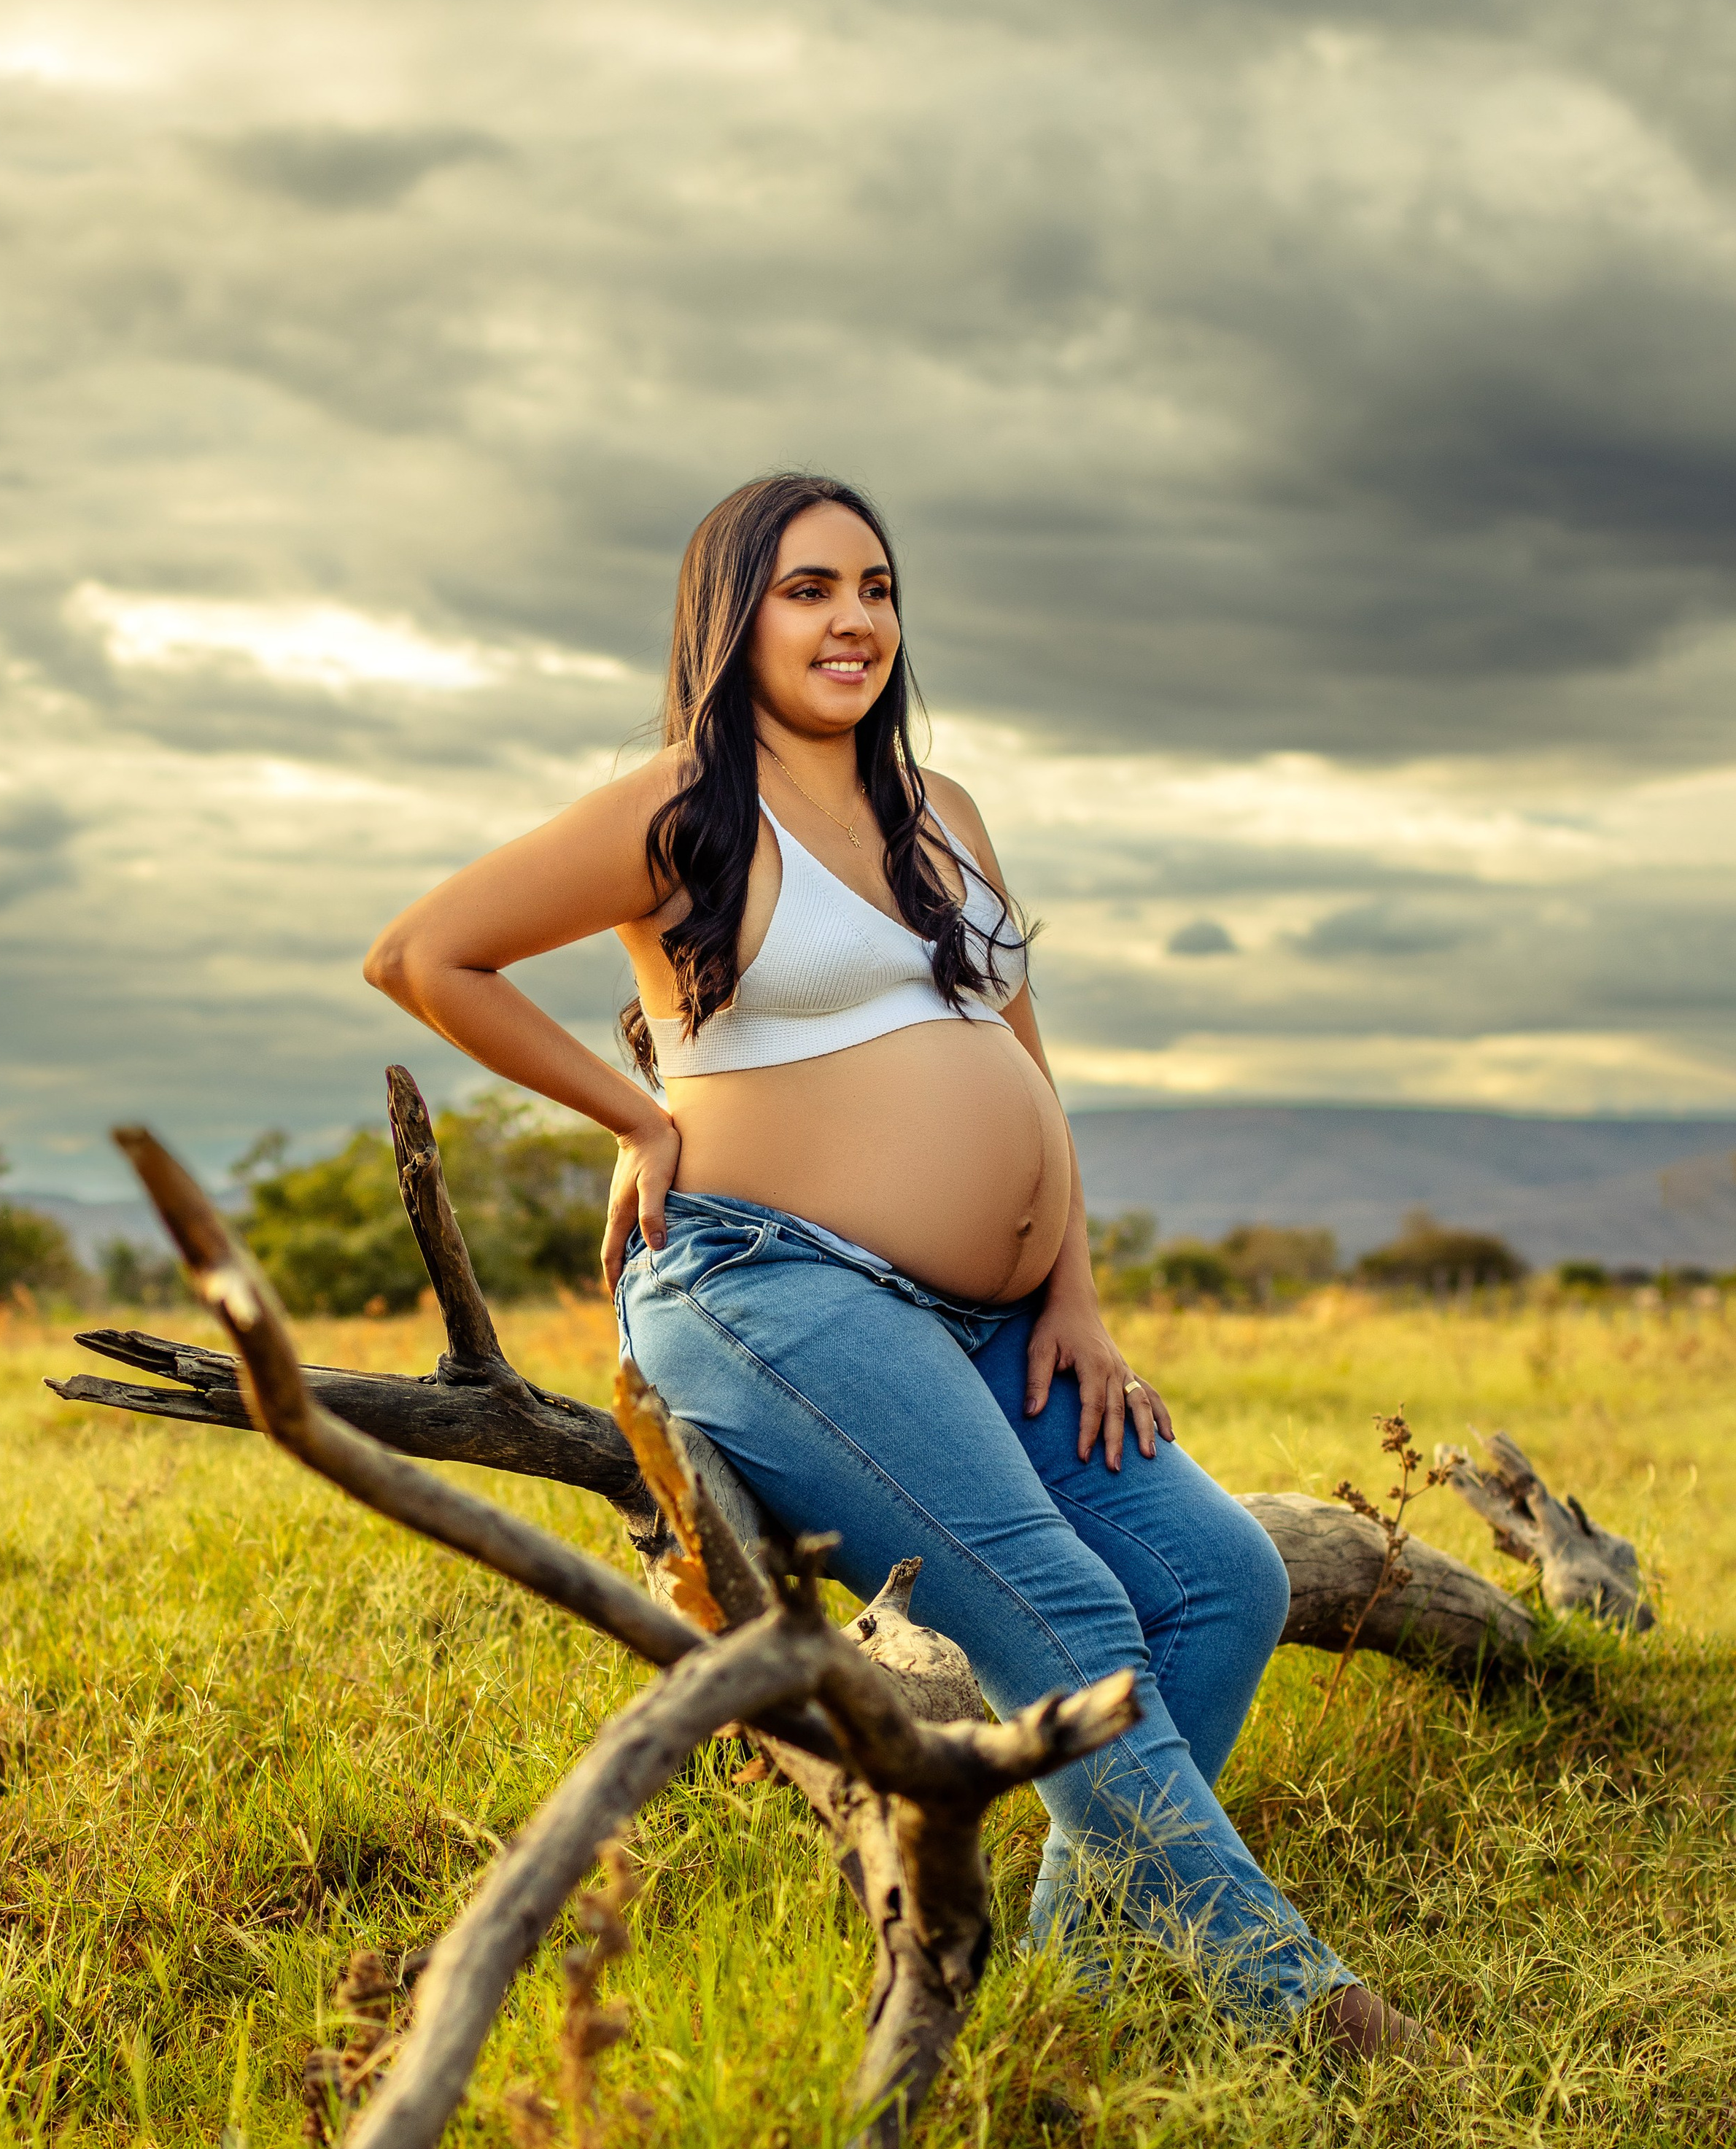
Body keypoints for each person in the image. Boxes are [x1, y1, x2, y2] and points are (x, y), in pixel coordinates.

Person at [365, 470, 1421, 2063]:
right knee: (1063, 1605)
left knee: (1224, 1579)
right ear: (732, 616)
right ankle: (1304, 2003)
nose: (852, 618)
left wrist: (1070, 1287)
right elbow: (424, 953)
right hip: (768, 1282)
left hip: (1001, 1310)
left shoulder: (944, 809)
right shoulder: (682, 804)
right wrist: (636, 1114)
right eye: (808, 588)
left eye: (874, 585)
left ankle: (1067, 1983)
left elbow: (1014, 1050)